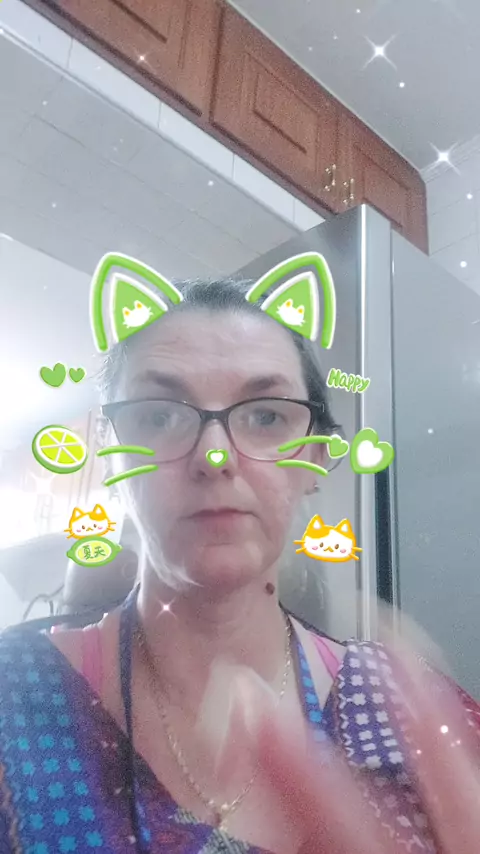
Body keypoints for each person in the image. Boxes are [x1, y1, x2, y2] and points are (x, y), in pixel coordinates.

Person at [0, 276, 479, 854]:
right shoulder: (11, 693)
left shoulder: (416, 714)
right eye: (158, 416)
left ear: (315, 457)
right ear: (109, 455)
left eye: (267, 416)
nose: (214, 455)